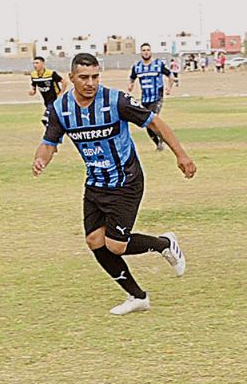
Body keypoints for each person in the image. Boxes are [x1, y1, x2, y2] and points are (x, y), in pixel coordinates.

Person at [32, 53, 197, 315]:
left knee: (116, 245)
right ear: (72, 78)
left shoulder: (116, 100)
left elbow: (154, 121)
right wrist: (41, 160)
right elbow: (49, 143)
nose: (90, 83)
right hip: (95, 183)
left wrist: (181, 154)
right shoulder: (61, 110)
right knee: (95, 241)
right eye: (84, 77)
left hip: (126, 181)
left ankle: (164, 244)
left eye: (95, 76)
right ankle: (137, 296)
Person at [127, 43, 174, 151]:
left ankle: (164, 140)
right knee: (147, 123)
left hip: (157, 97)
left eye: (148, 49)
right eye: (144, 50)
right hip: (145, 98)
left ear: (151, 51)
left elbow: (170, 75)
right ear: (141, 52)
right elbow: (132, 78)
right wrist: (130, 85)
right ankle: (158, 143)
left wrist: (169, 88)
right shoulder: (137, 66)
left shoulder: (158, 64)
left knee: (153, 118)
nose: (146, 52)